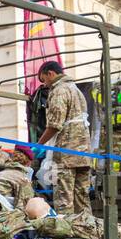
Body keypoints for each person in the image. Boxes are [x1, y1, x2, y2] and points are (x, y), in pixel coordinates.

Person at [34, 60, 92, 215]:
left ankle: (67, 236)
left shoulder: (59, 90)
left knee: (64, 198)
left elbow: (54, 125)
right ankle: (87, 230)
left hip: (66, 153)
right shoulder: (76, 90)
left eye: (44, 80)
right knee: (82, 198)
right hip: (84, 153)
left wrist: (39, 145)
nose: (45, 85)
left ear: (50, 73)